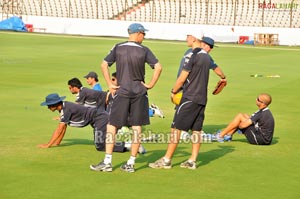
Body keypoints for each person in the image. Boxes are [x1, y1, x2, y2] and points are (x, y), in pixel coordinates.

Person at [90, 23, 162, 173]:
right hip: (139, 91)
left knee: (112, 126)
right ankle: (131, 163)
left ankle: (108, 162)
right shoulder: (144, 50)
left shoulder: (118, 47)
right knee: (137, 127)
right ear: (138, 33)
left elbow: (104, 65)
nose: (144, 36)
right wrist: (150, 85)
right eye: (144, 34)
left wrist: (110, 83)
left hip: (122, 91)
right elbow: (158, 67)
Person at [148, 37, 218, 170]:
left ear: (194, 39)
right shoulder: (206, 57)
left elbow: (182, 77)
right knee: (196, 130)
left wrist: (173, 91)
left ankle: (167, 160)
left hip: (189, 97)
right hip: (202, 98)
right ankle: (192, 161)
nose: (187, 39)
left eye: (188, 37)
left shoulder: (193, 54)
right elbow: (215, 71)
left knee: (176, 129)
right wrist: (223, 78)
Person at [38, 93, 126, 153]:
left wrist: (48, 145)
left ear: (55, 104)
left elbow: (60, 129)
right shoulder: (63, 107)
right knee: (102, 141)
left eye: (49, 105)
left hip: (100, 118)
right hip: (97, 119)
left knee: (100, 145)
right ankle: (127, 143)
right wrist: (58, 142)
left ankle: (128, 145)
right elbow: (64, 128)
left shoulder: (66, 110)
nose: (48, 107)